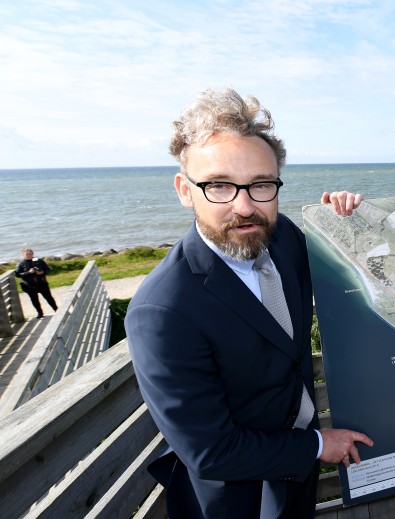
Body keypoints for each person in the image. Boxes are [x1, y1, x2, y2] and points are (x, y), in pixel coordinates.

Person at [126, 87, 370, 519]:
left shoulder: (285, 236)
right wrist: (316, 444)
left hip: (298, 475)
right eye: (219, 185)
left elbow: (343, 279)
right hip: (236, 499)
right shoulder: (162, 311)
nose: (244, 206)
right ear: (185, 190)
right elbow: (211, 451)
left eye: (261, 185)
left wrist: (346, 226)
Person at [15, 248, 58, 318]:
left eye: (30, 254)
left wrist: (42, 272)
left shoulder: (39, 261)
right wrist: (28, 272)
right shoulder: (21, 263)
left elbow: (48, 270)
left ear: (33, 254)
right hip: (29, 286)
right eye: (26, 254)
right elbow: (17, 274)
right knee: (34, 300)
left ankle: (56, 310)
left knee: (49, 298)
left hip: (42, 284)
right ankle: (40, 313)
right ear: (23, 255)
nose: (28, 256)